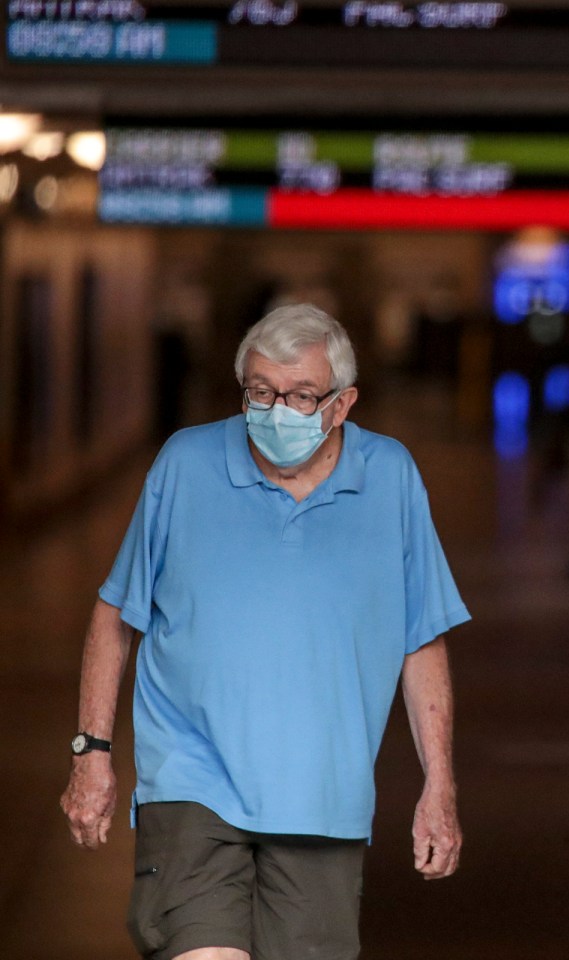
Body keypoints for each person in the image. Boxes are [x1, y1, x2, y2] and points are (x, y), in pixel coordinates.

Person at [60, 304, 472, 960]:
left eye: (302, 396)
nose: (276, 410)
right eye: (260, 390)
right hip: (191, 782)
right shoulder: (185, 464)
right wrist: (92, 753)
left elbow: (419, 637)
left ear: (342, 404)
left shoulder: (391, 477)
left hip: (323, 799)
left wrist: (440, 785)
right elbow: (118, 614)